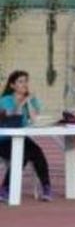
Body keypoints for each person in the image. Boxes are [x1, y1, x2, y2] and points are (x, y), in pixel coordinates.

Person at [0, 70, 53, 202]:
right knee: (22, 155)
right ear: (12, 85)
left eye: (26, 81)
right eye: (21, 82)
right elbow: (14, 114)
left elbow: (34, 120)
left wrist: (29, 102)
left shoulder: (31, 99)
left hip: (21, 138)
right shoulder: (5, 100)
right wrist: (22, 102)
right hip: (4, 140)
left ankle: (46, 187)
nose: (25, 84)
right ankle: (5, 188)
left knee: (37, 152)